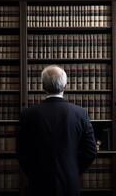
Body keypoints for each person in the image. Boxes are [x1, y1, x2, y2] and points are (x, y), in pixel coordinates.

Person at [16, 65, 97, 196]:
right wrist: (73, 169)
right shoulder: (81, 114)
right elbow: (91, 152)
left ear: (43, 86)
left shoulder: (28, 115)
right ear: (65, 86)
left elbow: (22, 152)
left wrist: (33, 172)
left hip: (38, 183)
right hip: (69, 183)